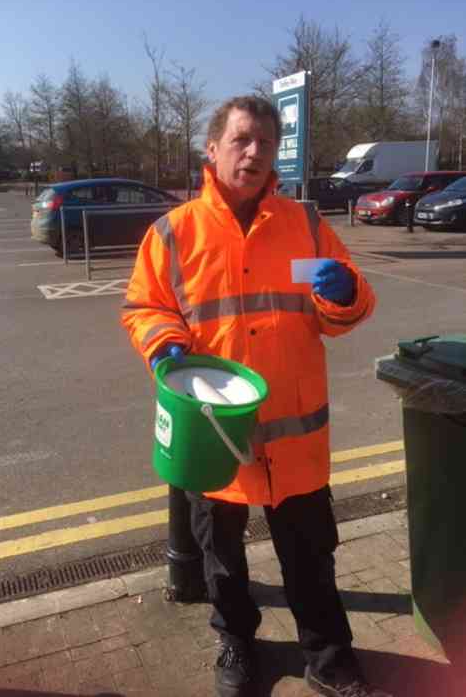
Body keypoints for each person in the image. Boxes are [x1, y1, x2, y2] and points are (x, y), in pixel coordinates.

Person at [121, 96, 390, 697]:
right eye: (241, 140)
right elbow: (145, 306)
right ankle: (237, 642)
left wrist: (345, 292)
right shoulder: (174, 231)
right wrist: (164, 343)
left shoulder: (307, 223)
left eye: (266, 143)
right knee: (221, 555)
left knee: (312, 555)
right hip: (214, 430)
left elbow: (347, 312)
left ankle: (328, 654)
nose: (254, 152)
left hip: (292, 435)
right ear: (212, 150)